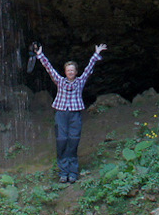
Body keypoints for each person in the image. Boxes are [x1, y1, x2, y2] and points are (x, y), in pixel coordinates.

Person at [32, 41, 105, 183]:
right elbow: (49, 68)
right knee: (61, 141)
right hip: (61, 113)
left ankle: (73, 172)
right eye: (68, 70)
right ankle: (63, 172)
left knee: (73, 141)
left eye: (73, 70)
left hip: (75, 114)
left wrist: (96, 54)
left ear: (75, 72)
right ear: (65, 72)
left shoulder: (80, 81)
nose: (70, 72)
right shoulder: (59, 81)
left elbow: (89, 69)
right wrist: (40, 55)